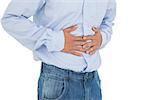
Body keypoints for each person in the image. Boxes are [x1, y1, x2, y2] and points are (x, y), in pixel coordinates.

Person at [1, 0, 116, 99]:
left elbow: (108, 20)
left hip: (93, 82)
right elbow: (11, 18)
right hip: (58, 81)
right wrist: (57, 40)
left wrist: (102, 38)